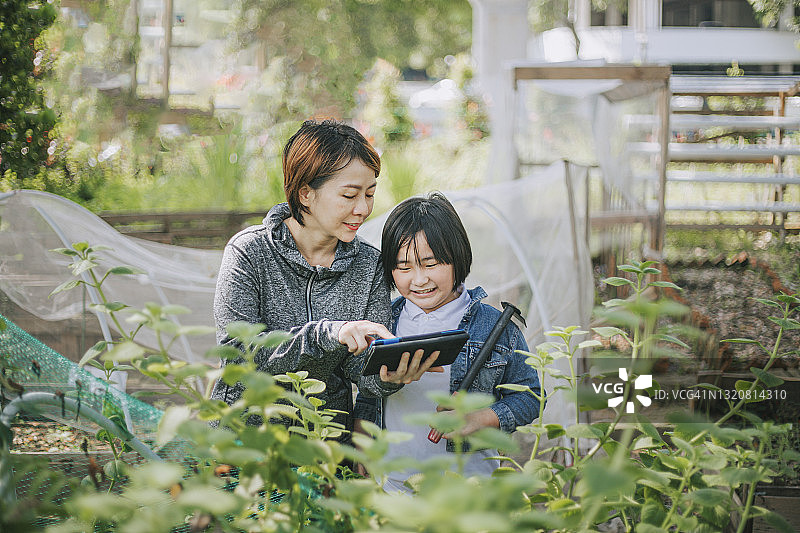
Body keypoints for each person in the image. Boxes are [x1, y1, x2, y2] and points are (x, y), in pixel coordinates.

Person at [210, 119, 441, 442]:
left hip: (326, 445)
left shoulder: (369, 264)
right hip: (244, 442)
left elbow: (363, 373)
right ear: (305, 193)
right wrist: (330, 334)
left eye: (370, 194)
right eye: (349, 195)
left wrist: (390, 376)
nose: (363, 209)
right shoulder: (249, 252)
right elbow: (239, 357)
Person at [353, 192, 543, 492]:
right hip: (393, 486)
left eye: (431, 264)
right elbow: (368, 393)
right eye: (404, 267)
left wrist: (481, 418)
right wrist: (361, 440)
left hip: (468, 488)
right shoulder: (382, 324)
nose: (419, 280)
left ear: (457, 256)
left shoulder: (494, 326)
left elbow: (531, 397)